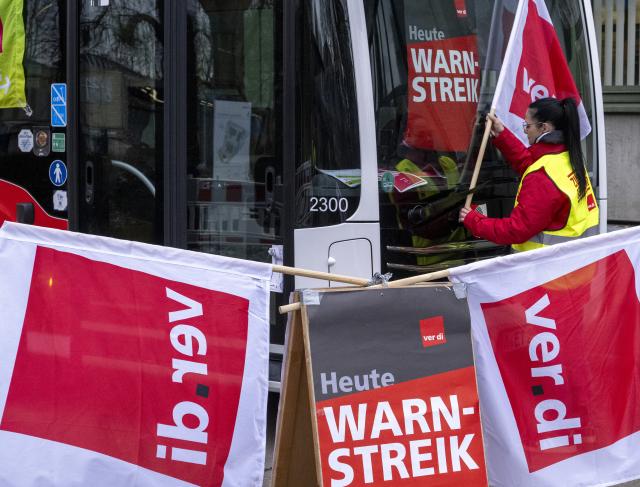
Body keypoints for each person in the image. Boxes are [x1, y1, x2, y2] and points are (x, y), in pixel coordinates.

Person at [458, 97, 599, 252]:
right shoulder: (568, 157)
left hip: (544, 269)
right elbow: (530, 163)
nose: (525, 130)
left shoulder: (542, 176)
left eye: (527, 125)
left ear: (544, 128)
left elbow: (516, 229)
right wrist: (502, 135)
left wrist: (474, 220)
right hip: (575, 264)